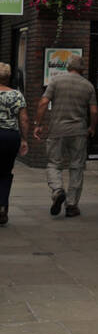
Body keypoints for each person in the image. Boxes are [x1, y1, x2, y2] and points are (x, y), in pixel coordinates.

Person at [34, 56, 98, 218]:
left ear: (68, 67)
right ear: (82, 69)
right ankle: (71, 205)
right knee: (76, 166)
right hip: (79, 132)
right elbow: (94, 111)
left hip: (57, 130)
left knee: (54, 163)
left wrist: (38, 124)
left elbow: (43, 103)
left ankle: (57, 189)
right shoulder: (88, 86)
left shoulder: (56, 81)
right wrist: (92, 127)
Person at [0, 62, 29, 226]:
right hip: (10, 136)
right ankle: (2, 205)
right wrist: (24, 140)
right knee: (5, 171)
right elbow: (24, 119)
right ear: (8, 77)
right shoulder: (17, 95)